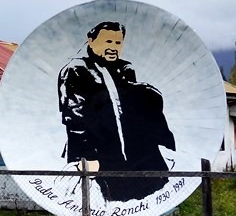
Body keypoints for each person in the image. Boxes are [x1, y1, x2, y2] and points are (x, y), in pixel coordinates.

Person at [57, 21, 175, 202]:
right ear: (91, 40)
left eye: (117, 43)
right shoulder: (76, 70)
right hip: (99, 154)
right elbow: (74, 119)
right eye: (107, 42)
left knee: (140, 192)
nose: (113, 47)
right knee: (105, 197)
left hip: (131, 153)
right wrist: (88, 158)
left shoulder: (125, 69)